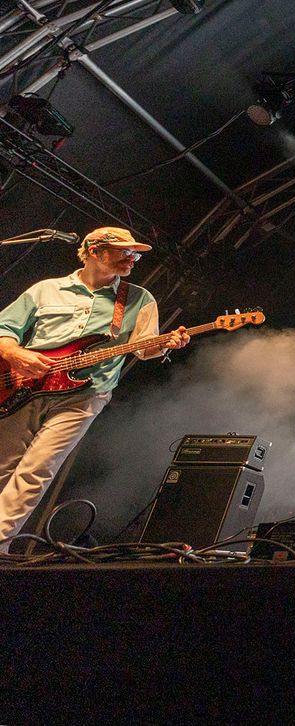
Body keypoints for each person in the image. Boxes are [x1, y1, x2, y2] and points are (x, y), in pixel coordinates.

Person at [0, 227, 189, 551]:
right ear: (94, 251)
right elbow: (5, 327)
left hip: (85, 395)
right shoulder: (46, 289)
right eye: (124, 251)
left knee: (37, 469)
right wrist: (15, 354)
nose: (133, 258)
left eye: (135, 253)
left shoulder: (139, 298)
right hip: (24, 385)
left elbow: (144, 348)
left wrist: (165, 344)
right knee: (3, 465)